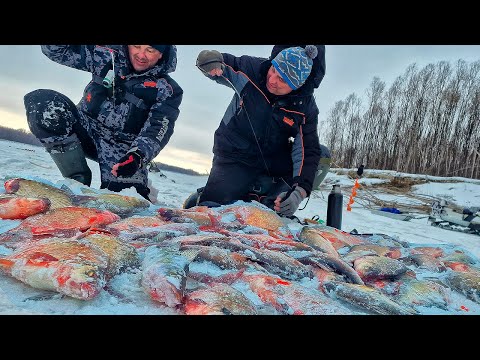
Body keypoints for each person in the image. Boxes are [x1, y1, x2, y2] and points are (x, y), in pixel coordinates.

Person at [24, 45, 183, 202]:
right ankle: (76, 178)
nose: (141, 55)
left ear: (161, 54)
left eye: (150, 50)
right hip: (86, 129)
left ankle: (140, 186)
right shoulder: (104, 55)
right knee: (43, 104)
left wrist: (137, 155)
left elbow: (158, 129)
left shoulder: (168, 90)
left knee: (125, 204)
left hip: (124, 149)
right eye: (136, 46)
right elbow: (56, 51)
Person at [185, 45, 328, 217]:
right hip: (234, 154)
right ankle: (217, 193)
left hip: (272, 159)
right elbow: (225, 64)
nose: (272, 79)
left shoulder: (306, 108)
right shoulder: (255, 69)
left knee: (271, 215)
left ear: (297, 86)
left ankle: (268, 199)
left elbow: (308, 150)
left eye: (282, 80)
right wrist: (210, 61)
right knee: (213, 210)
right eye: (274, 69)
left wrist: (299, 193)